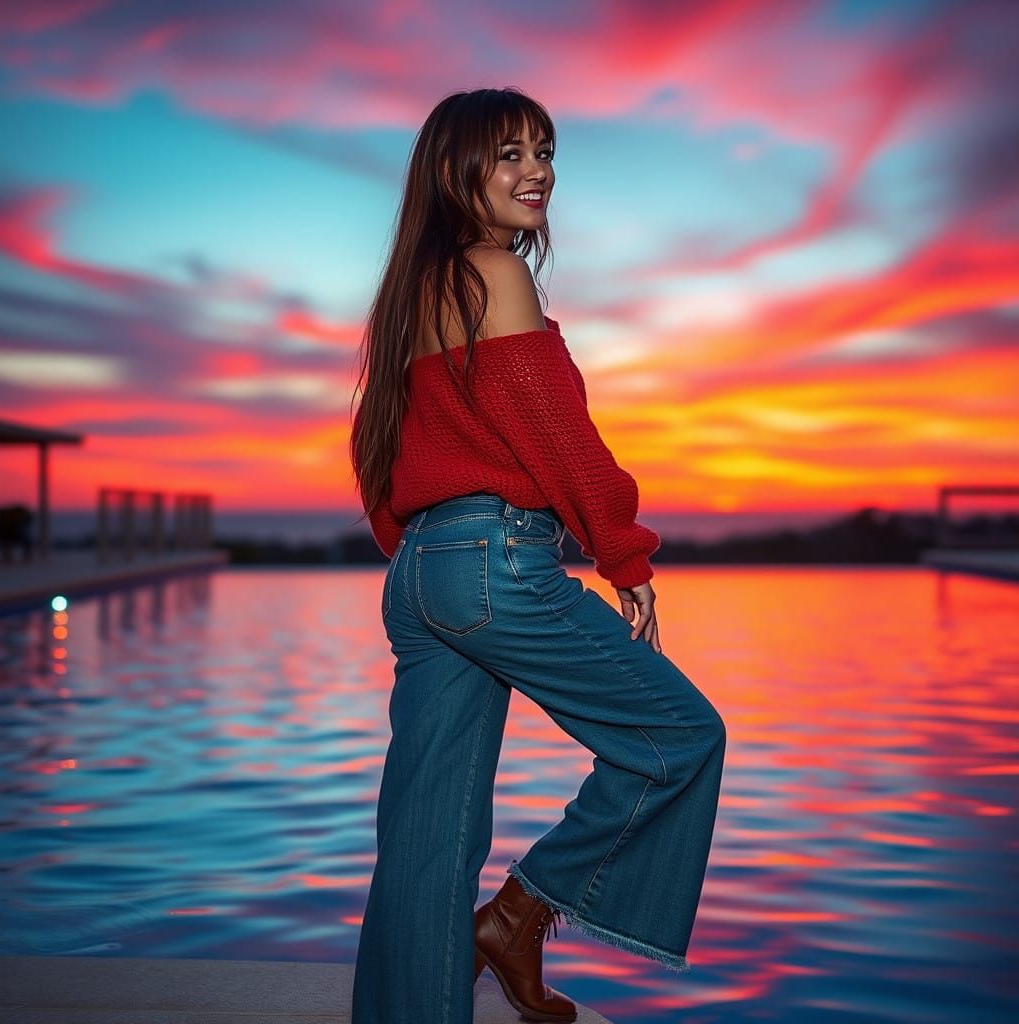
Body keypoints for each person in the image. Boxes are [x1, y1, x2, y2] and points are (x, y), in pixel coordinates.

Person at [349, 87, 726, 1024]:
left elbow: (375, 448)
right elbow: (560, 435)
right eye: (510, 154)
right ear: (452, 172)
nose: (537, 172)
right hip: (494, 562)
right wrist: (623, 554)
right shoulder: (494, 273)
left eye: (544, 152)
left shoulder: (410, 295)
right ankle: (520, 914)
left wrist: (422, 557)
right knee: (678, 738)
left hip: (428, 573)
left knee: (427, 839)